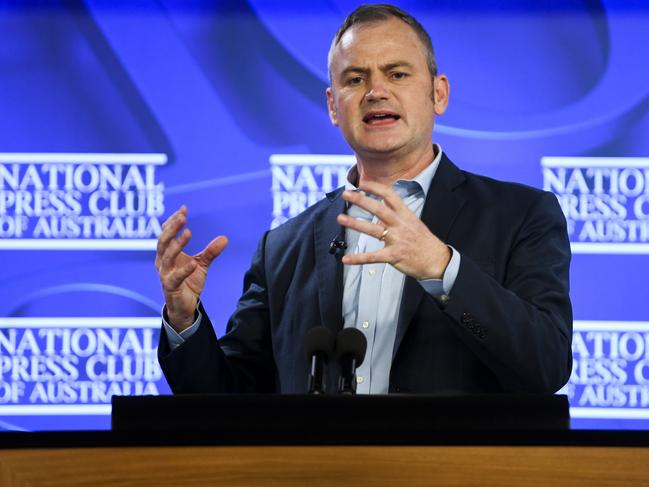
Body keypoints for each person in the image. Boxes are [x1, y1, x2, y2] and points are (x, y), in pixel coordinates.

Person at [155, 4, 572, 395]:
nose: (375, 91)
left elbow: (545, 365)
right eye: (355, 79)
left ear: (438, 94)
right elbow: (229, 401)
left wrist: (441, 268)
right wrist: (183, 317)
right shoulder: (283, 247)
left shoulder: (520, 216)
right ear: (334, 106)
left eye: (397, 74)